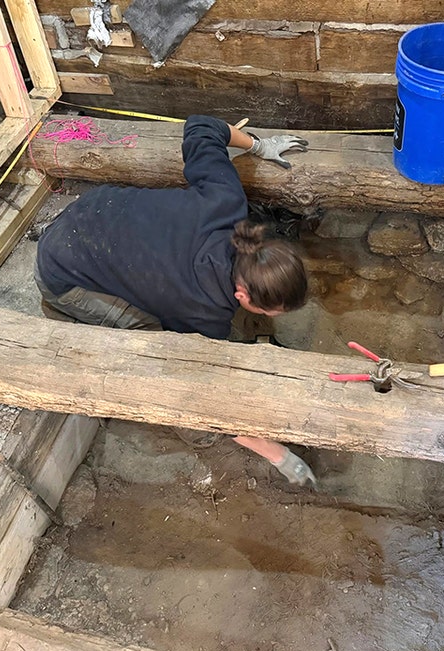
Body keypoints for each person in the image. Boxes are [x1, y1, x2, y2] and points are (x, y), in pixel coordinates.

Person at [35, 114, 317, 487]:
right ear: (241, 295)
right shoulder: (201, 312)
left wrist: (259, 145)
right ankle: (64, 311)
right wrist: (280, 456)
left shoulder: (227, 201)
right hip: (64, 271)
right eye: (267, 310)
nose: (269, 315)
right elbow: (200, 393)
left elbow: (201, 126)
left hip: (91, 211)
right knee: (155, 345)